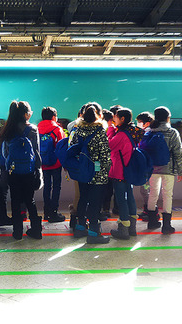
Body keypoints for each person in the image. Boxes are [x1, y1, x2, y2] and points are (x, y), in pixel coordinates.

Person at [0, 100, 43, 240]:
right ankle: (36, 230)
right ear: (25, 114)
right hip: (29, 170)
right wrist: (37, 169)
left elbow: (5, 153)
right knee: (30, 200)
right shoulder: (33, 129)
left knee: (15, 200)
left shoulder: (8, 129)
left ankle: (17, 232)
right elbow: (37, 152)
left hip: (13, 171)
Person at [71, 102, 111, 243]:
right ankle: (94, 233)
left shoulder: (78, 131)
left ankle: (80, 227)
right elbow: (105, 156)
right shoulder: (100, 132)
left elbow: (72, 148)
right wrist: (105, 169)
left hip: (82, 170)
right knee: (95, 202)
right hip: (97, 170)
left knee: (83, 198)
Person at [143, 106, 182, 234]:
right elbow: (178, 153)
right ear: (168, 118)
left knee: (152, 193)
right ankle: (166, 226)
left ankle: (152, 222)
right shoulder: (172, 132)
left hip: (152, 169)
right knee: (167, 195)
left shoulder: (148, 131)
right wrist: (181, 170)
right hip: (168, 169)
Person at [108, 107, 140, 241]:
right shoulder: (131, 132)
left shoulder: (121, 135)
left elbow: (108, 145)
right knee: (130, 198)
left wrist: (110, 129)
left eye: (115, 117)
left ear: (122, 119)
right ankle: (132, 228)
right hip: (129, 171)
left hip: (119, 171)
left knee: (121, 200)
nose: (113, 119)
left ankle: (123, 230)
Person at [37, 106, 65, 223]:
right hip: (55, 163)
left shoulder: (37, 128)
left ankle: (46, 212)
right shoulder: (57, 129)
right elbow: (62, 147)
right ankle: (54, 212)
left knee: (46, 186)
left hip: (43, 163)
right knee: (56, 186)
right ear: (54, 117)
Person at [135, 111, 156, 222]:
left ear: (146, 123)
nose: (137, 124)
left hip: (146, 167)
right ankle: (148, 210)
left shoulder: (145, 134)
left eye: (139, 122)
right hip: (150, 166)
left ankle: (151, 211)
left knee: (145, 190)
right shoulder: (151, 133)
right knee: (146, 190)